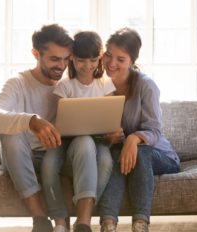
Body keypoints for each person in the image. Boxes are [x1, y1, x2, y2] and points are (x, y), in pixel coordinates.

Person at [0, 24, 73, 232]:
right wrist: (31, 121)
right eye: (54, 59)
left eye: (66, 59)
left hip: (58, 157)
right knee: (11, 136)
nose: (61, 66)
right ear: (36, 54)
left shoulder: (70, 85)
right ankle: (40, 219)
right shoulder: (17, 83)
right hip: (23, 158)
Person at [98, 28, 181, 232]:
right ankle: (108, 224)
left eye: (121, 59)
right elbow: (93, 125)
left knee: (139, 151)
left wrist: (133, 139)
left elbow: (154, 130)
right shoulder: (98, 85)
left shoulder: (146, 86)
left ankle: (140, 224)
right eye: (108, 54)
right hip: (121, 153)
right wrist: (108, 137)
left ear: (131, 61)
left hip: (159, 155)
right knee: (115, 155)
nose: (112, 63)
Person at [41, 31, 116, 232]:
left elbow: (112, 117)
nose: (88, 66)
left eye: (93, 60)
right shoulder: (64, 86)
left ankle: (83, 216)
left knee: (106, 162)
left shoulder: (105, 84)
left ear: (99, 58)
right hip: (66, 140)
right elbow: (59, 120)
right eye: (81, 60)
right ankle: (59, 219)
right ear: (72, 58)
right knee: (48, 166)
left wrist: (113, 131)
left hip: (98, 139)